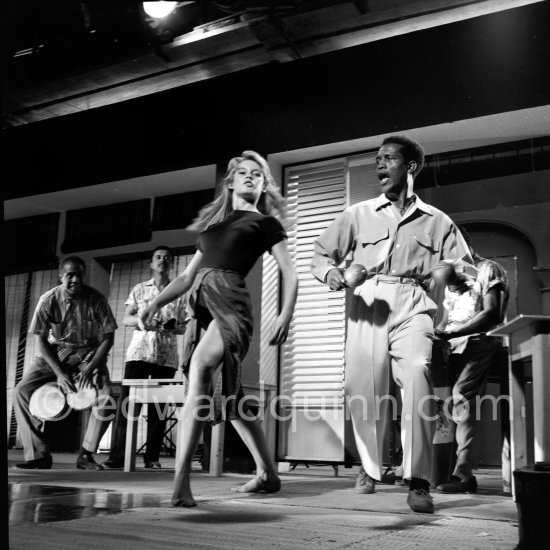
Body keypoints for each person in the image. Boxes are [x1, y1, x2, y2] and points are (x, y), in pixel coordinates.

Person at [311, 135, 474, 513]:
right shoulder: (358, 213)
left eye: (388, 159)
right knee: (361, 385)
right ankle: (370, 467)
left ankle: (418, 480)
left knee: (418, 373)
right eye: (377, 159)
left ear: (410, 167)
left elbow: (464, 268)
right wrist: (333, 273)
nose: (379, 166)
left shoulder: (438, 221)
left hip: (414, 301)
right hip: (368, 299)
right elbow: (320, 254)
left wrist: (447, 271)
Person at [139, 150, 298, 507]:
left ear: (264, 184)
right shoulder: (212, 228)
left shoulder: (266, 224)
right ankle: (268, 476)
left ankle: (181, 483)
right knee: (234, 399)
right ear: (230, 181)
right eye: (243, 173)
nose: (251, 178)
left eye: (258, 174)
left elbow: (289, 271)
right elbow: (185, 277)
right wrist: (153, 303)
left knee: (200, 368)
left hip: (231, 306)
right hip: (200, 306)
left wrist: (285, 313)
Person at [13, 256, 117, 470]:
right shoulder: (48, 299)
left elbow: (108, 338)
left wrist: (91, 366)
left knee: (107, 395)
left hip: (88, 355)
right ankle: (38, 455)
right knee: (21, 391)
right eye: (70, 275)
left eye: (79, 274)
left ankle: (86, 455)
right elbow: (40, 340)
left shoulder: (96, 299)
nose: (75, 279)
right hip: (55, 353)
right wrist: (59, 373)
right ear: (61, 276)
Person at [434, 226, 509, 493]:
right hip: (453, 345)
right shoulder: (451, 275)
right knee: (440, 402)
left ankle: (463, 474)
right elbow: (446, 319)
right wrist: (438, 334)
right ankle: (437, 469)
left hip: (479, 341)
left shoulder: (489, 269)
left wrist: (453, 332)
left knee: (459, 398)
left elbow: (492, 315)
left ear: (467, 243)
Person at [102, 246, 188, 470]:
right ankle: (117, 457)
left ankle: (152, 458)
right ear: (151, 263)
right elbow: (126, 319)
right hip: (138, 355)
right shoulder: (139, 289)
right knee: (128, 406)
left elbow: (182, 327)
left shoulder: (178, 292)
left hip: (166, 358)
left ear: (172, 264)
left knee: (158, 411)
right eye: (158, 258)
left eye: (167, 258)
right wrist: (142, 320)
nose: (163, 261)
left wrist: (174, 326)